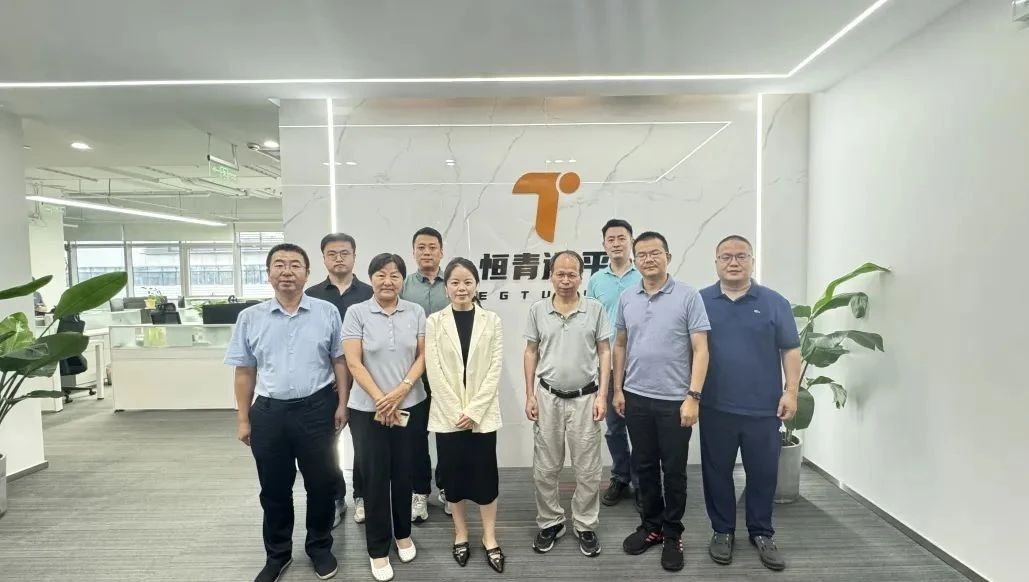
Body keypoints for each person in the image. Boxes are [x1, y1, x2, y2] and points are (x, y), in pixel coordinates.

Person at [225, 243, 347, 582]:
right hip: (269, 412)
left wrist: (342, 404)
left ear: (307, 273)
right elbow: (244, 371)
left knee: (321, 484)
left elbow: (339, 361)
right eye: (279, 264)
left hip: (317, 409)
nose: (287, 271)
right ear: (268, 274)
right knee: (274, 489)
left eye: (295, 265)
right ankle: (277, 554)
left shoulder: (326, 312)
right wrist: (243, 418)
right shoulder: (250, 318)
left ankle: (319, 547)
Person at [699, 235, 801, 572]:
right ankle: (722, 531)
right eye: (726, 256)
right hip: (715, 406)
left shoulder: (774, 302)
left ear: (752, 261)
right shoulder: (700, 301)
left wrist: (791, 391)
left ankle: (761, 532)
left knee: (763, 473)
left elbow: (790, 349)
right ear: (716, 262)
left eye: (741, 256)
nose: (733, 262)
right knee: (716, 473)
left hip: (763, 409)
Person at [612, 231, 710, 573]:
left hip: (674, 401)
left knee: (674, 471)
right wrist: (618, 389)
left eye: (655, 253)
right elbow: (620, 344)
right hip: (636, 397)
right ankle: (651, 526)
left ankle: (672, 533)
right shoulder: (627, 297)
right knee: (644, 467)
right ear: (635, 260)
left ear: (668, 256)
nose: (648, 259)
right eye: (642, 254)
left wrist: (693, 396)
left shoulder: (688, 296)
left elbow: (701, 348)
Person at [343, 253, 426, 582]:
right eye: (380, 274)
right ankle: (377, 548)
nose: (387, 281)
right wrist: (381, 399)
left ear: (403, 280)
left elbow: (423, 356)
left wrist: (401, 391)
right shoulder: (357, 312)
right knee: (375, 478)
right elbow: (353, 362)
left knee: (403, 473)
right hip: (368, 409)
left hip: (410, 404)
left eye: (394, 275)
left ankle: (403, 533)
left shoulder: (415, 311)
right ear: (371, 278)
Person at [524, 251, 611, 558]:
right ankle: (551, 522)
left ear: (580, 277)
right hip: (547, 397)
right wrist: (529, 394)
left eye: (571, 274)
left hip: (586, 399)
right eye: (559, 274)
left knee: (588, 469)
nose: (565, 280)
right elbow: (531, 351)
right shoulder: (538, 310)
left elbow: (604, 351)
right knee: (545, 468)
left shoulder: (595, 309)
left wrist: (603, 395)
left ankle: (585, 524)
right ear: (551, 276)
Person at [425, 257, 506, 573]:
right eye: (455, 282)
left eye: (467, 282)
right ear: (446, 288)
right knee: (454, 479)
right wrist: (456, 411)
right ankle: (460, 533)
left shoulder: (492, 320)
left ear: (476, 286)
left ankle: (489, 536)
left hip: (482, 417)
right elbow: (434, 370)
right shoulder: (435, 322)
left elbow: (495, 369)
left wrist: (473, 410)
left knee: (486, 478)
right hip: (449, 417)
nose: (461, 288)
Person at [305, 233, 375, 528]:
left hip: (366, 384)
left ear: (354, 256)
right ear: (323, 258)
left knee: (364, 445)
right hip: (327, 385)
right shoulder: (311, 296)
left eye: (344, 253)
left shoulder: (370, 292)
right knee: (326, 447)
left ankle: (362, 496)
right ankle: (336, 497)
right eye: (332, 253)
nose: (338, 258)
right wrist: (334, 374)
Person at [585, 218, 643, 510]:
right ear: (604, 244)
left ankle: (642, 481)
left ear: (631, 241)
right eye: (611, 239)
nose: (617, 243)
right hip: (607, 366)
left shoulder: (643, 275)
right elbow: (588, 323)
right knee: (614, 427)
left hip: (641, 365)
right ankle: (621, 476)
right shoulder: (596, 280)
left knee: (641, 428)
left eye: (622, 238)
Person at [400, 226, 450, 521]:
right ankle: (419, 492)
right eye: (421, 247)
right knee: (415, 438)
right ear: (413, 252)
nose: (427, 252)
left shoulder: (453, 282)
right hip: (413, 377)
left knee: (448, 435)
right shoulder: (404, 286)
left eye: (432, 247)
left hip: (448, 376)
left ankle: (447, 488)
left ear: (442, 251)